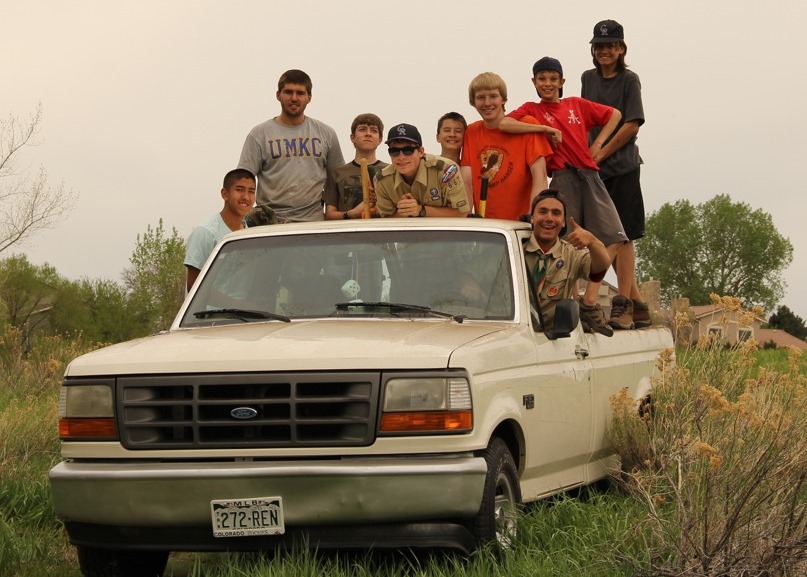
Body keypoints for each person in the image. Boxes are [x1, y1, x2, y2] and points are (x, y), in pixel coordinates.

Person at [498, 56, 627, 336]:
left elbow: (614, 115)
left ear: (562, 82)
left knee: (615, 235)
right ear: (534, 82)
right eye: (542, 79)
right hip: (564, 177)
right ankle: (572, 302)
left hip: (590, 174)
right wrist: (544, 129)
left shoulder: (576, 105)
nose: (547, 84)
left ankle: (589, 299)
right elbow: (505, 124)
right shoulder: (533, 109)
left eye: (552, 79)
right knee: (566, 242)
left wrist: (599, 145)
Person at [582, 19, 650, 329]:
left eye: (610, 45)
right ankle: (638, 304)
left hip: (621, 166)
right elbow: (584, 118)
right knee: (602, 234)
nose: (605, 51)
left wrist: (600, 152)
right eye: (599, 46)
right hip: (593, 168)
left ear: (621, 48)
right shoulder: (587, 79)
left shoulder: (628, 80)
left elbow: (631, 124)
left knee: (623, 235)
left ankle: (622, 304)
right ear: (593, 50)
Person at [237, 69, 344, 223]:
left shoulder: (326, 134)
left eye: (300, 93)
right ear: (278, 95)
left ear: (309, 97)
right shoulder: (259, 135)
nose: (294, 98)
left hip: (314, 223)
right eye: (288, 92)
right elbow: (243, 181)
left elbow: (338, 181)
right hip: (270, 224)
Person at [460, 72, 556, 221]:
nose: (487, 103)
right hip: (486, 225)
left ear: (503, 99)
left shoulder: (527, 125)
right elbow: (467, 181)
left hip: (520, 224)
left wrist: (533, 216)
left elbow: (540, 176)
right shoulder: (472, 131)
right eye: (480, 97)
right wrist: (465, 218)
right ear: (473, 102)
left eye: (493, 96)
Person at [524, 189, 610, 333]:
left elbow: (601, 266)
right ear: (532, 217)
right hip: (514, 335)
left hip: (551, 339)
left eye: (556, 213)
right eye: (543, 212)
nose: (549, 218)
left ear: (563, 222)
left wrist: (592, 241)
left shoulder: (572, 254)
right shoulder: (514, 248)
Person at [374, 123, 470, 218]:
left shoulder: (445, 170)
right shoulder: (383, 180)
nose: (401, 157)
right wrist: (404, 210)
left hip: (443, 232)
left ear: (421, 152)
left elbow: (461, 213)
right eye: (394, 151)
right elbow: (386, 221)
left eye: (408, 150)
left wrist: (421, 210)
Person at [184, 169, 256, 292]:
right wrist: (233, 304)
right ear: (225, 194)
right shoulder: (206, 232)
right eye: (239, 190)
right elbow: (194, 287)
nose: (246, 197)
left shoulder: (249, 233)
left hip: (245, 310)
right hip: (212, 311)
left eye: (251, 191)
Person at [323, 113, 388, 220]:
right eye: (362, 129)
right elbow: (329, 215)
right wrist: (351, 214)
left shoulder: (390, 171)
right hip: (348, 234)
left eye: (374, 130)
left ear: (380, 139)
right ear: (353, 137)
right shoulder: (337, 173)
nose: (368, 134)